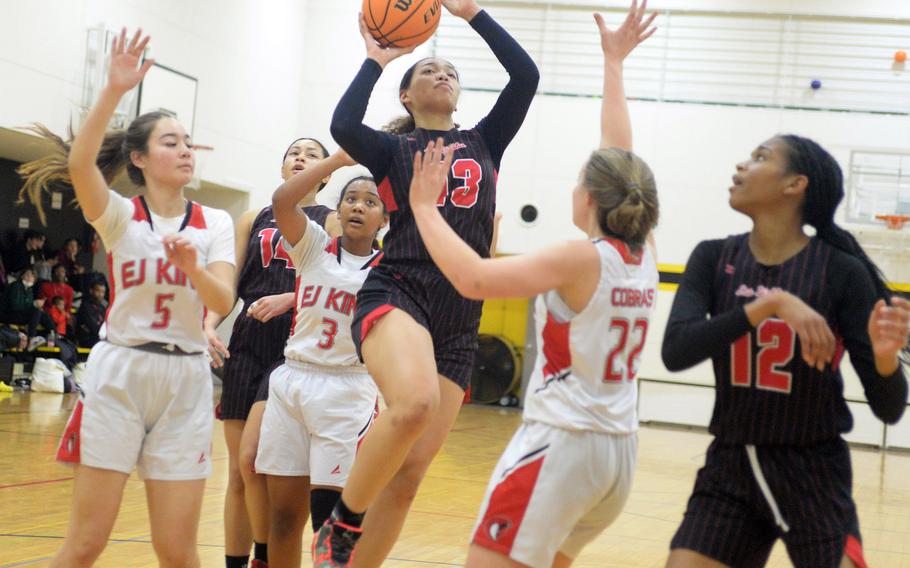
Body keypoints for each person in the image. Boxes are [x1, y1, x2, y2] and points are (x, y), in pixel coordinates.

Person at [409, 4, 657, 566]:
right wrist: (613, 64)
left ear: (589, 199)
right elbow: (620, 151)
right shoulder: (644, 253)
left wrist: (425, 208)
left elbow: (473, 279)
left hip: (561, 444)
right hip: (619, 454)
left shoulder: (577, 258)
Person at [318, 0, 539, 565]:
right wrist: (376, 58)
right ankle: (341, 521)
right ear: (407, 97)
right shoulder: (394, 149)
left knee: (411, 474)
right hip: (400, 290)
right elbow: (343, 125)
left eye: (451, 73)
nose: (442, 74)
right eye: (427, 72)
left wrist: (473, 14)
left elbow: (527, 75)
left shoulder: (487, 140)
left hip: (461, 320)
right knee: (412, 406)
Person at [661, 79, 910, 568]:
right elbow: (676, 350)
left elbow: (889, 408)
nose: (740, 165)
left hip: (812, 473)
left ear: (795, 185)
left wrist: (883, 361)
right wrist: (767, 305)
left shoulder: (842, 273)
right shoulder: (713, 258)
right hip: (729, 469)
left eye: (758, 157)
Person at [19, 29, 235, 567]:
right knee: (86, 543)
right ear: (138, 157)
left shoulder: (216, 222)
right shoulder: (119, 216)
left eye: (188, 142)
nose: (185, 150)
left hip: (186, 379)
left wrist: (193, 270)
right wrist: (115, 90)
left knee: (178, 549)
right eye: (170, 142)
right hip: (119, 375)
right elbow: (78, 165)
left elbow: (223, 298)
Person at [205, 136, 341, 568]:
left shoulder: (331, 220)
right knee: (239, 472)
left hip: (297, 342)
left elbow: (338, 285)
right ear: (283, 167)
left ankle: (265, 556)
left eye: (311, 154)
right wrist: (209, 321)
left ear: (327, 171)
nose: (300, 158)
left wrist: (292, 298)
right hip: (248, 339)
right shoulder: (253, 216)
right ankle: (235, 561)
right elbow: (228, 286)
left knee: (256, 463)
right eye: (293, 153)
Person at [257, 150, 386, 568]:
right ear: (338, 208)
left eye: (370, 201)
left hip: (348, 389)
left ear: (384, 219)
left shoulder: (391, 267)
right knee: (282, 517)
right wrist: (337, 161)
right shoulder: (313, 244)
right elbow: (282, 201)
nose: (358, 206)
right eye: (351, 198)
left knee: (328, 524)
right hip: (292, 381)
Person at [1, 267, 55, 350]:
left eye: (32, 276)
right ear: (22, 276)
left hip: (19, 314)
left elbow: (27, 307)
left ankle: (53, 335)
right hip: (9, 315)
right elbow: (16, 306)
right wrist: (34, 304)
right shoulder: (16, 286)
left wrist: (35, 305)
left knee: (44, 314)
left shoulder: (29, 290)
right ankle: (31, 339)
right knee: (36, 311)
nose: (30, 277)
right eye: (27, 275)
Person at [76, 281, 106, 348]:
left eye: (102, 292)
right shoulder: (85, 307)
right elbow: (93, 326)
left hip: (100, 338)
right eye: (98, 291)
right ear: (91, 291)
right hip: (88, 339)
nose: (100, 294)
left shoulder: (103, 308)